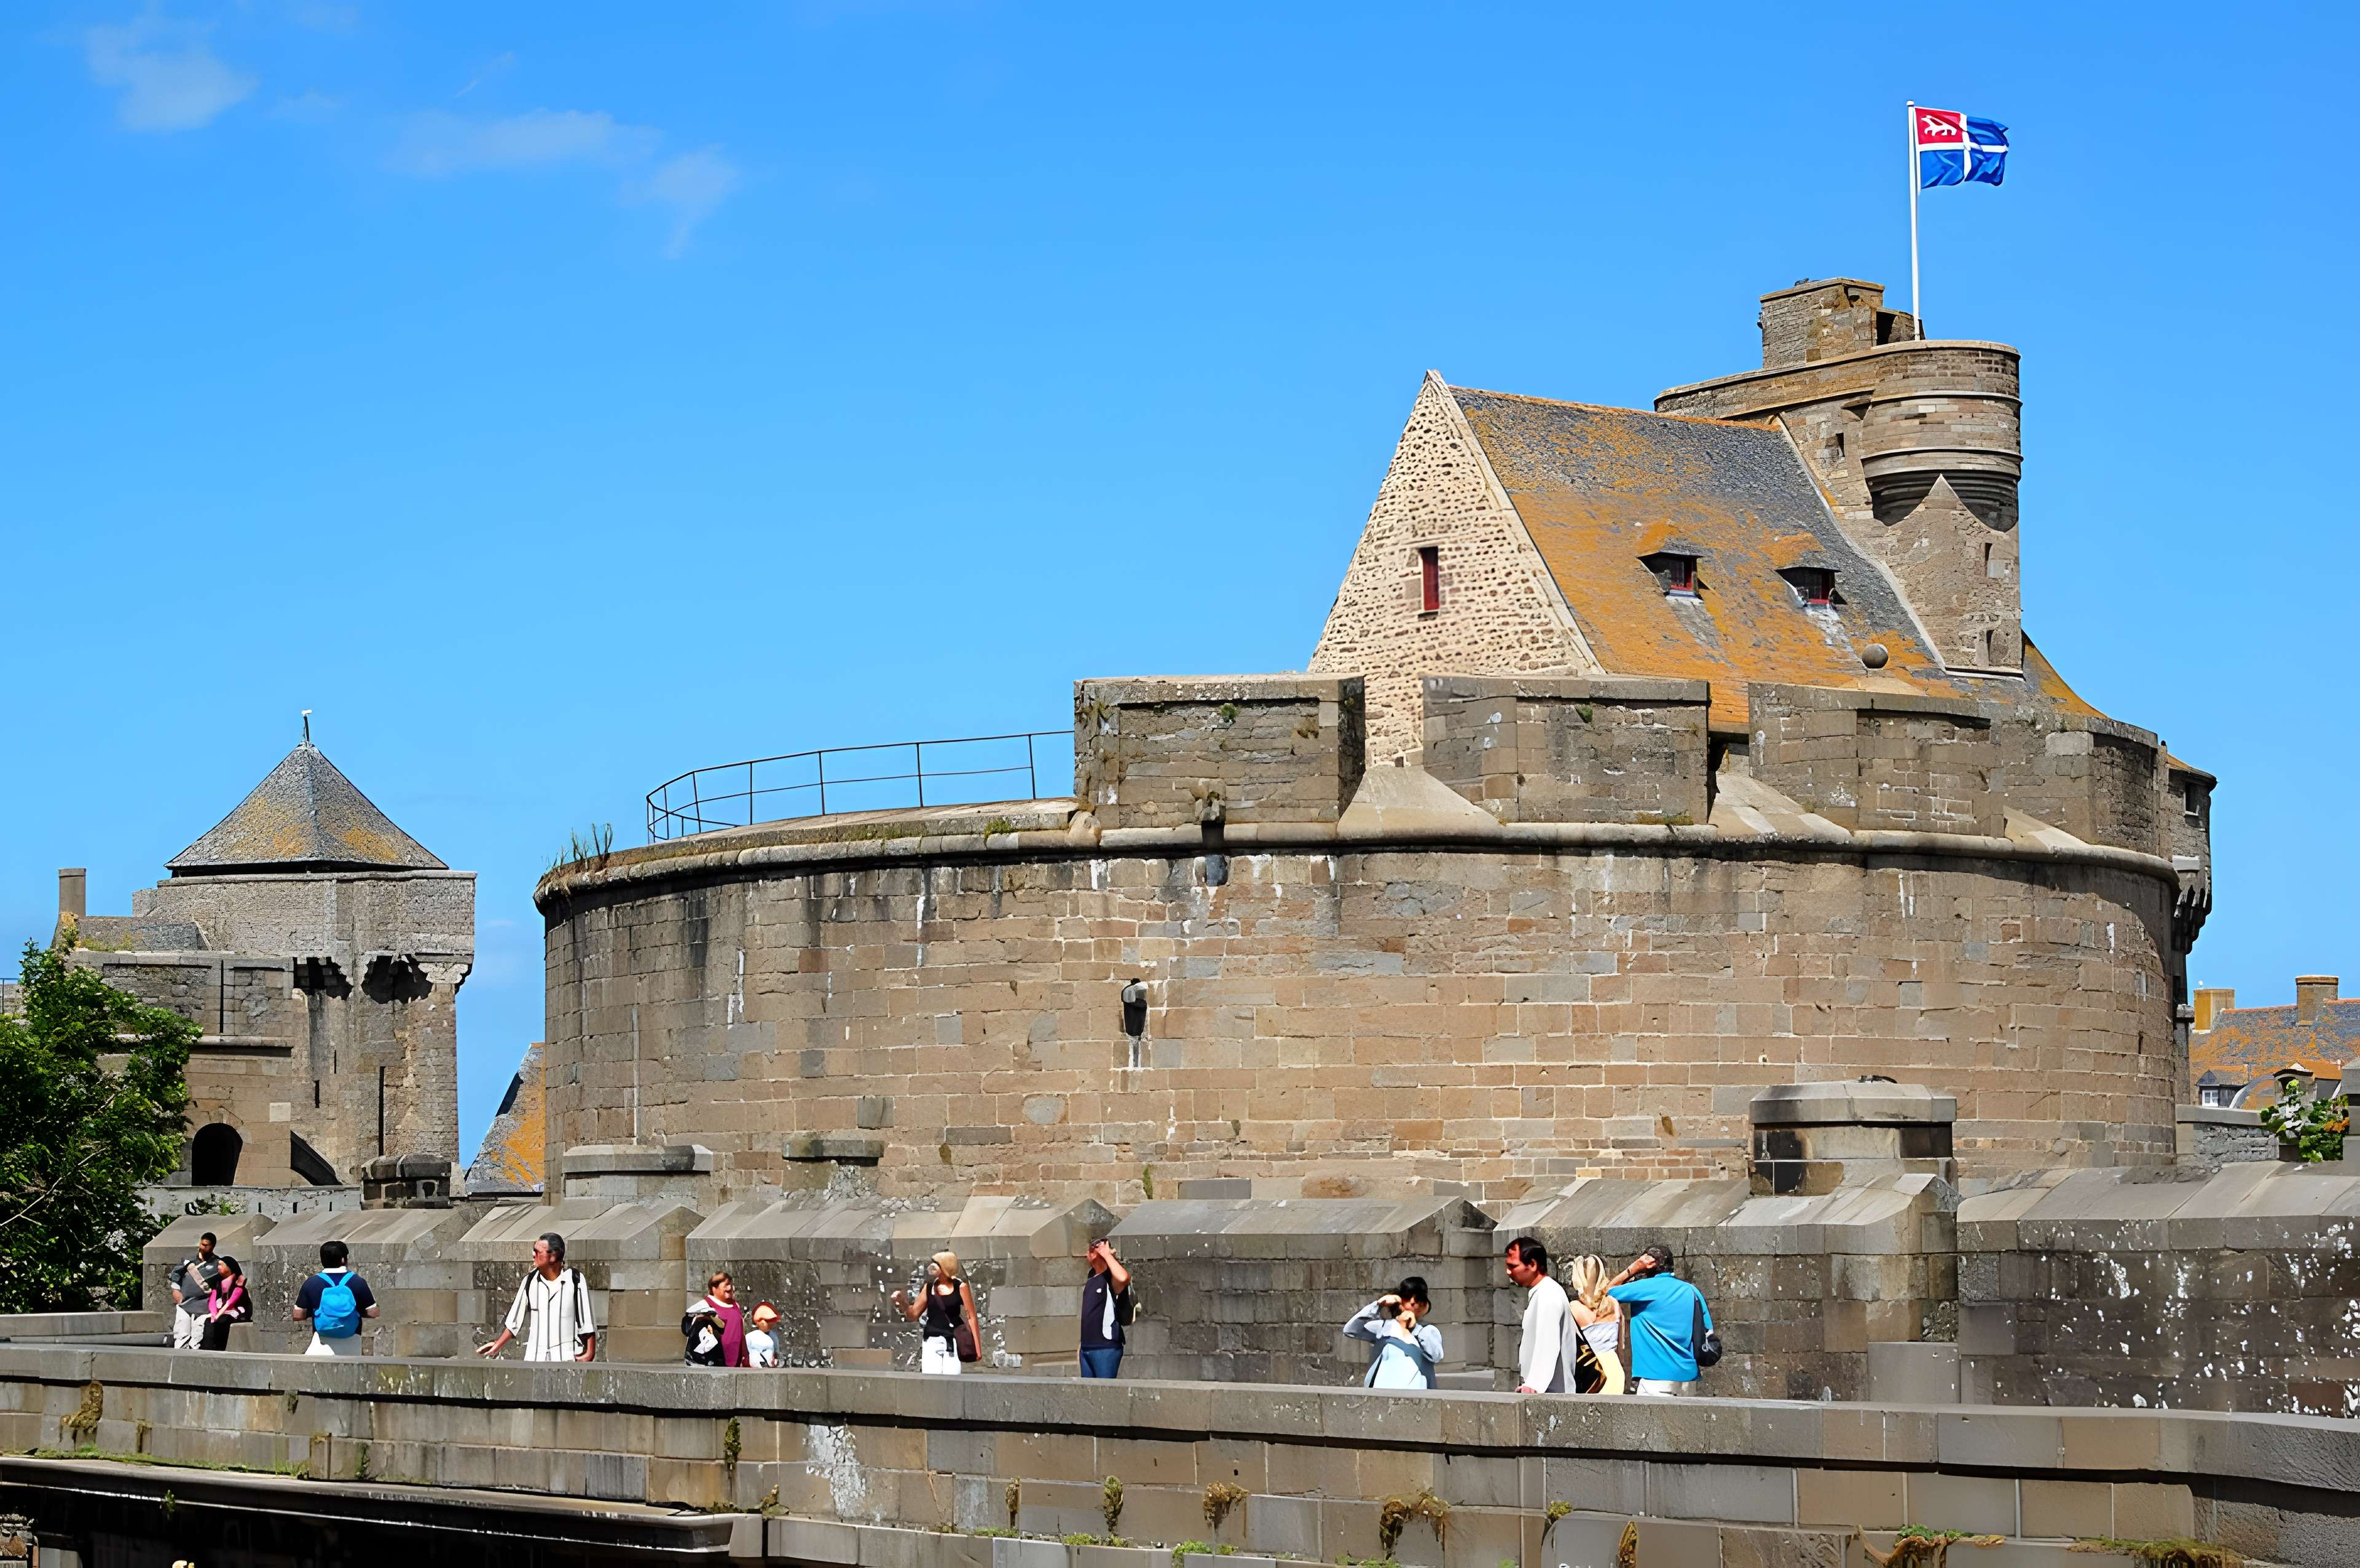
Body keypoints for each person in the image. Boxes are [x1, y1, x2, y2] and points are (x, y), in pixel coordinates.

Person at [1606, 1244, 1713, 1396]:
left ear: (1647, 1266)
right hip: (1687, 1378)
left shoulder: (1644, 1288)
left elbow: (1609, 1292)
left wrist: (1634, 1268)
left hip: (1655, 1377)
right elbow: (1708, 1330)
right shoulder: (1692, 1291)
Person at [476, 1233, 597, 1362]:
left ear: (553, 1256)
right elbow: (514, 1322)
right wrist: (496, 1347)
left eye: (538, 1252)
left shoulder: (575, 1280)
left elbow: (586, 1323)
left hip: (565, 1356)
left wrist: (589, 1354)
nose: (534, 1255)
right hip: (535, 1356)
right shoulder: (530, 1281)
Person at [1504, 1236, 1579, 1394]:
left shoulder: (1548, 1294)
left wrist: (1535, 1384)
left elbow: (1548, 1340)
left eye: (1514, 1266)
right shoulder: (1544, 1292)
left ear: (1532, 1265)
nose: (1508, 1272)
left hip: (1552, 1392)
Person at [1342, 1276, 1444, 1389]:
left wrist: (1414, 1328)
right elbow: (1350, 1330)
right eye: (1407, 1296)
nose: (1412, 1302)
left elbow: (1436, 1356)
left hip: (1414, 1397)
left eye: (1419, 1299)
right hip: (1381, 1395)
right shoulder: (1385, 1327)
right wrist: (1378, 1305)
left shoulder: (1427, 1331)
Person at [891, 1252, 975, 1375]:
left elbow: (971, 1316)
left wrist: (975, 1346)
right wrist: (902, 1302)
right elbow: (913, 1314)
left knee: (952, 1383)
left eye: (937, 1264)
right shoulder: (929, 1288)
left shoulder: (960, 1288)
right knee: (931, 1383)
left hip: (952, 1340)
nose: (933, 1266)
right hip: (932, 1341)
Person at [293, 1239, 378, 1357]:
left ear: (322, 1260)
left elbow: (298, 1315)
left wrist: (319, 1312)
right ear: (343, 1259)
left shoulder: (312, 1283)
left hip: (322, 1344)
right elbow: (373, 1313)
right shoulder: (358, 1282)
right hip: (352, 1343)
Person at [1562, 1255, 1627, 1396]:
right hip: (1615, 1369)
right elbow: (1621, 1348)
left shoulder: (1574, 1307)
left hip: (1593, 1372)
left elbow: (1570, 1348)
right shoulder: (1614, 1304)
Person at [1077, 1238, 1133, 1379]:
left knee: (1105, 1392)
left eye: (1094, 1248)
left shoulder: (1109, 1278)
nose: (1090, 1252)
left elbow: (1123, 1278)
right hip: (1087, 1347)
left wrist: (1108, 1255)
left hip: (1105, 1347)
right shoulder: (1091, 1277)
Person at [168, 1234, 224, 1352]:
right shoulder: (188, 1261)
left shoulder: (218, 1264)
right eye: (202, 1244)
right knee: (181, 1336)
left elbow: (224, 1285)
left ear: (212, 1246)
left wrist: (218, 1306)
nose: (203, 1247)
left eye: (206, 1245)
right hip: (185, 1306)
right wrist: (176, 1291)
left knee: (197, 1339)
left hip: (205, 1308)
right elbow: (175, 1277)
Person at [683, 1271, 747, 1367]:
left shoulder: (735, 1305)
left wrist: (745, 1355)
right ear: (714, 1289)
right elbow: (687, 1328)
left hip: (735, 1358)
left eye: (730, 1284)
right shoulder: (704, 1305)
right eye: (725, 1285)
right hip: (717, 1359)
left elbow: (741, 1331)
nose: (730, 1288)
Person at [198, 1260, 250, 1351]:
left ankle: (220, 1347)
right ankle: (208, 1349)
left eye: (222, 1265)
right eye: (218, 1265)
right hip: (220, 1312)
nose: (219, 1267)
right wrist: (214, 1314)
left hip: (235, 1312)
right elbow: (212, 1301)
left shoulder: (238, 1286)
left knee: (224, 1320)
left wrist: (218, 1315)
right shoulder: (217, 1284)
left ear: (230, 1268)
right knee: (208, 1322)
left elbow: (231, 1301)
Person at [745, 1303, 783, 1368]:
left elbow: (777, 1353)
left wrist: (776, 1361)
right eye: (768, 1320)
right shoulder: (750, 1337)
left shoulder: (774, 1336)